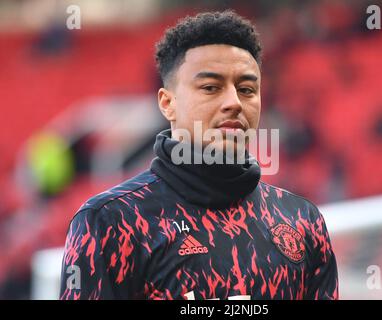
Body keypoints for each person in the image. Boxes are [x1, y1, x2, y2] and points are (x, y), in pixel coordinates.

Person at [59, 10, 338, 300]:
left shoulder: (303, 220)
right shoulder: (112, 222)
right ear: (168, 104)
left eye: (246, 89)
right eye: (210, 87)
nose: (234, 103)